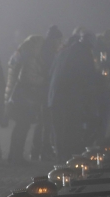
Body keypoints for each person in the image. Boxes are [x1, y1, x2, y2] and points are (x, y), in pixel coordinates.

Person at [48, 33, 102, 162]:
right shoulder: (84, 55)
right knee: (72, 127)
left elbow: (50, 73)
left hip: (54, 97)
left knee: (59, 128)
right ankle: (70, 157)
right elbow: (88, 79)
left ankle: (60, 155)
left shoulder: (62, 53)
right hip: (71, 97)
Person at [5, 35, 45, 165]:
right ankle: (16, 156)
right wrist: (44, 80)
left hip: (17, 97)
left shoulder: (20, 55)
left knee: (20, 126)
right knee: (23, 126)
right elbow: (29, 77)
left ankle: (14, 154)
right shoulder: (30, 58)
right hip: (25, 97)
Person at [30, 25, 63, 161]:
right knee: (45, 122)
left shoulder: (44, 50)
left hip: (41, 90)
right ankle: (43, 150)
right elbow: (50, 72)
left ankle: (37, 150)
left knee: (43, 122)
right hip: (45, 90)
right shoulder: (50, 52)